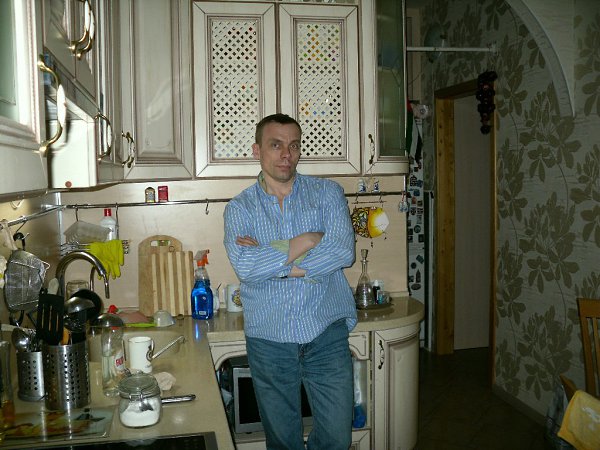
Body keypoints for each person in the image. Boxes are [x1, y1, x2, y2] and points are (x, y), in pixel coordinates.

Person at [223, 113, 357, 450]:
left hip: (325, 333)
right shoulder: (240, 209)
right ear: (257, 150)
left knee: (337, 437)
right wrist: (308, 239)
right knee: (283, 442)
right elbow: (246, 266)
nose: (287, 154)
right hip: (269, 340)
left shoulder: (327, 193)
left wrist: (273, 259)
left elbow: (342, 252)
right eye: (276, 145)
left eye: (294, 145)